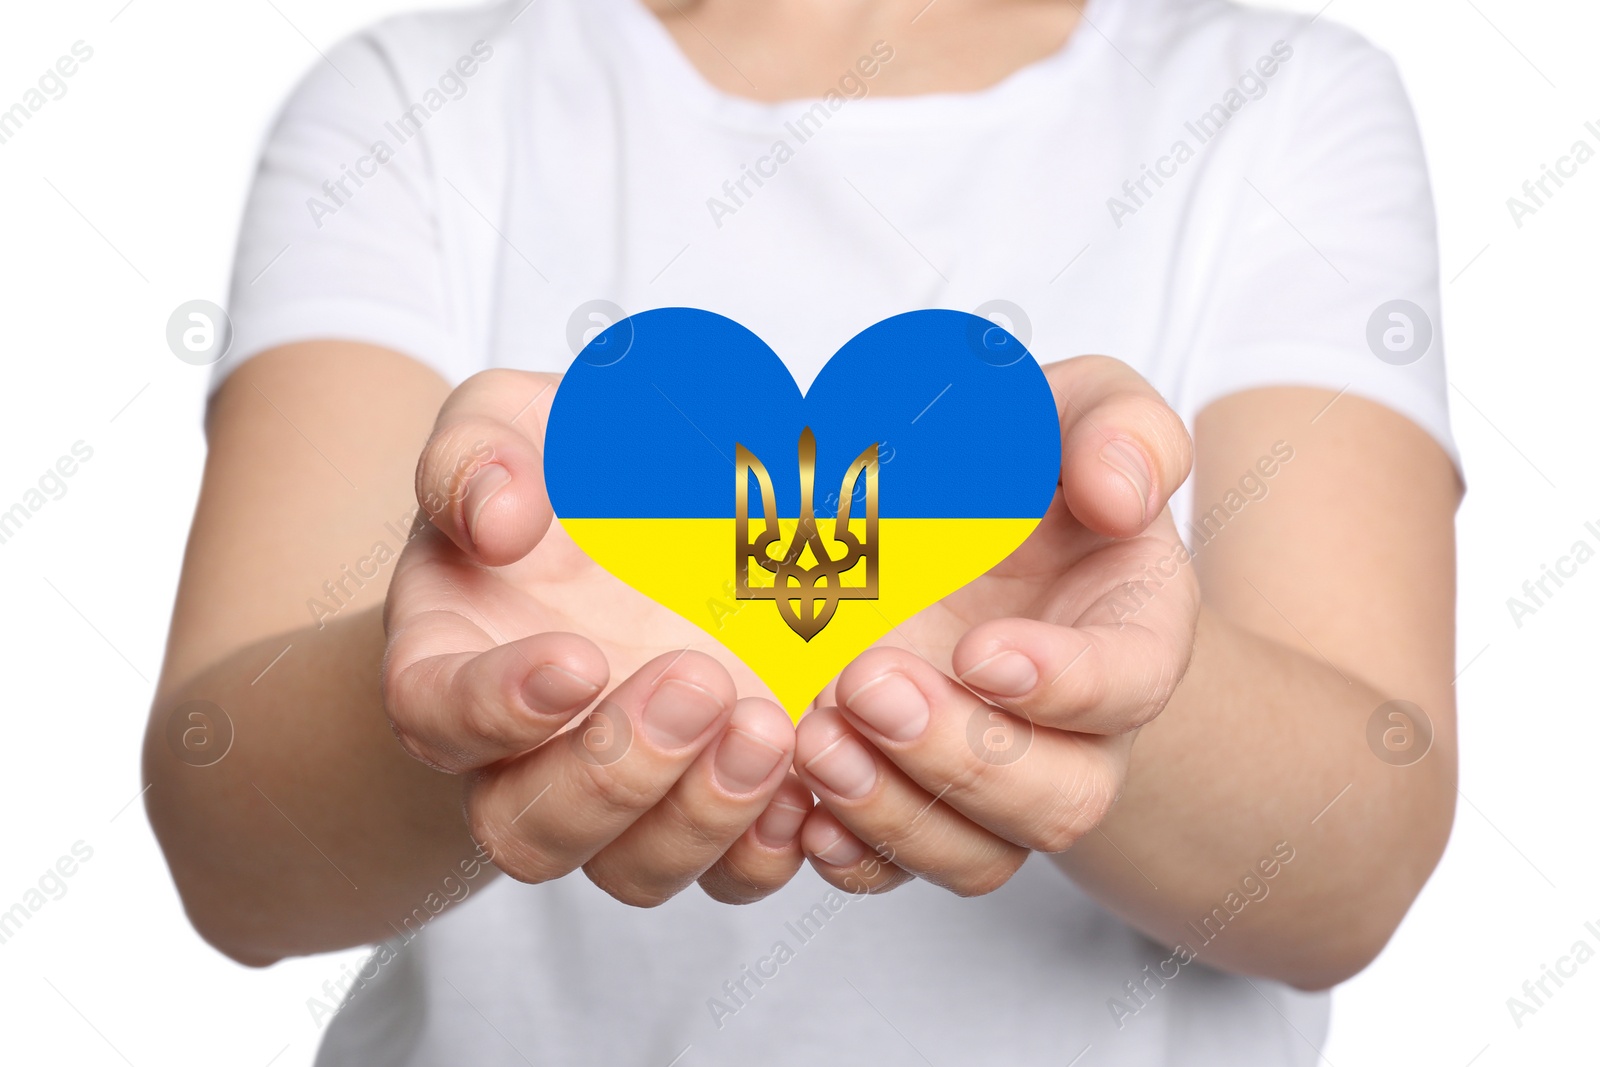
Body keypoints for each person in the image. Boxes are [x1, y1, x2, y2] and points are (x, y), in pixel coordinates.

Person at [144, 0, 1462, 1062]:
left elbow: (1358, 867)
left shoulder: (1281, 99)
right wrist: (462, 703)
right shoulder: (416, 102)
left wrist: (1099, 680)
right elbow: (230, 850)